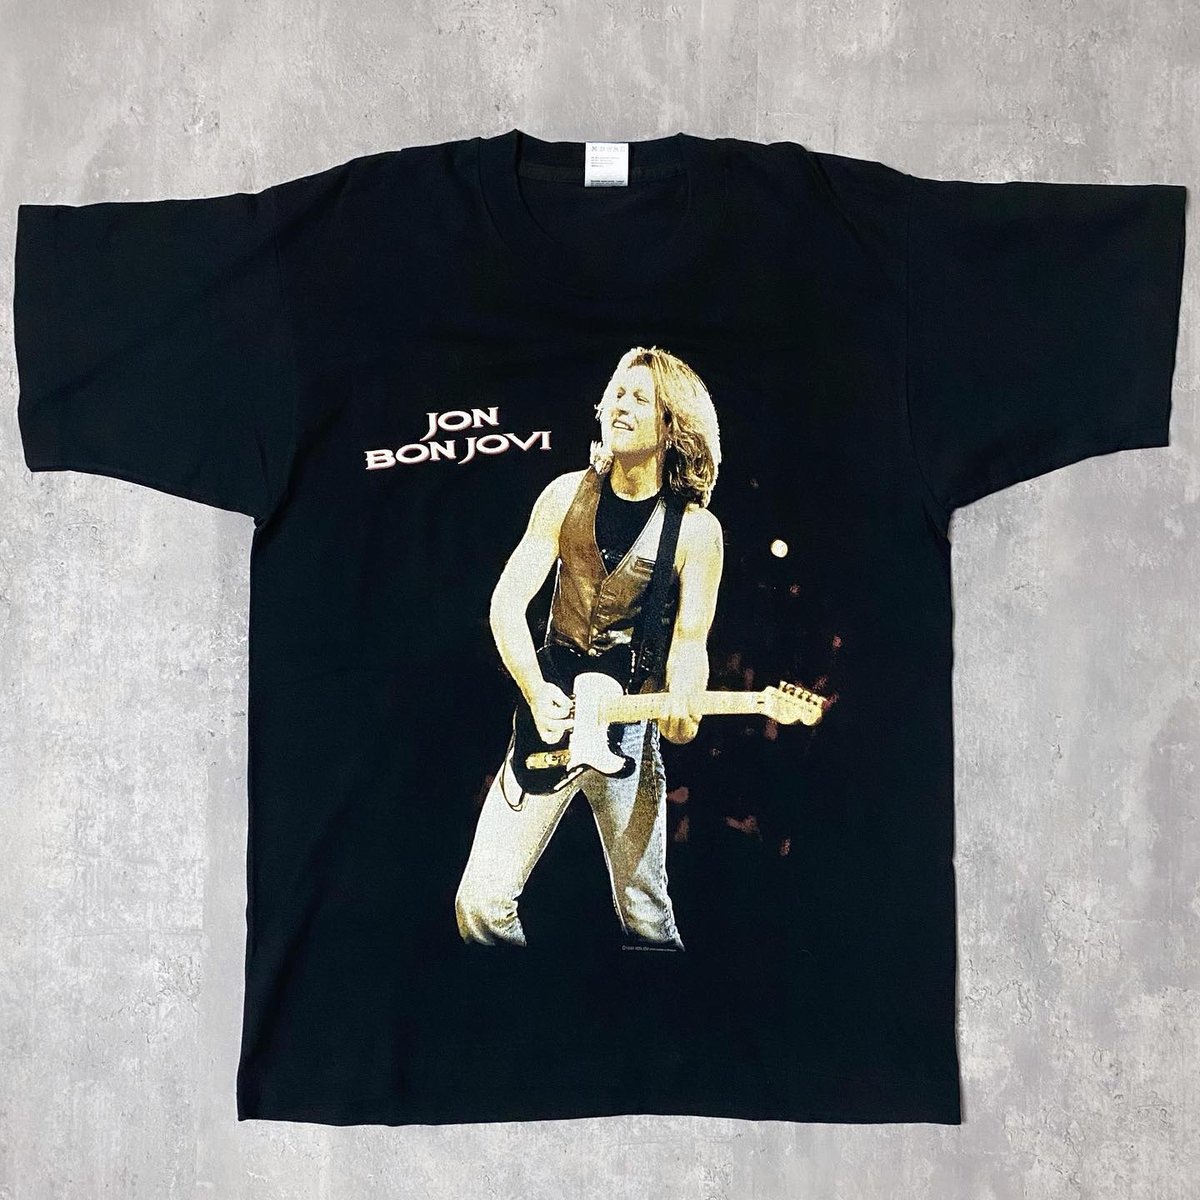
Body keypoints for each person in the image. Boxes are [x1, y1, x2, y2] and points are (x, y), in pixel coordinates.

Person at [454, 344, 725, 949]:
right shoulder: (562, 495)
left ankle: (663, 1005)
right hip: (550, 717)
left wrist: (684, 709)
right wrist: (535, 691)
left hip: (628, 728)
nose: (620, 405)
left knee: (647, 919)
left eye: (640, 398)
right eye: (616, 393)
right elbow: (506, 604)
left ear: (671, 425)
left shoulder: (696, 532)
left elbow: (690, 644)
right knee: (480, 904)